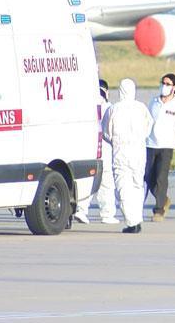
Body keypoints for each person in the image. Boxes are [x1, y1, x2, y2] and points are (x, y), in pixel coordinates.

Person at [102, 78, 153, 233]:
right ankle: (137, 218)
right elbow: (149, 127)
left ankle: (132, 222)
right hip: (139, 152)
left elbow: (105, 131)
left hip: (121, 152)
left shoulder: (113, 109)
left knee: (123, 188)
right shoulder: (141, 108)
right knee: (137, 185)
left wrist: (114, 141)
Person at [144, 73, 175, 222]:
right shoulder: (154, 101)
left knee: (161, 177)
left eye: (168, 84)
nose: (164, 86)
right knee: (147, 176)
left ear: (174, 87)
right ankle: (163, 198)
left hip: (167, 145)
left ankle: (159, 210)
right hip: (150, 143)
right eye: (163, 83)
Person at [74, 79, 120, 224]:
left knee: (88, 182)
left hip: (88, 149)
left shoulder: (86, 105)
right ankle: (107, 214)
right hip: (105, 150)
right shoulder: (110, 107)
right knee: (106, 184)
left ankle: (81, 210)